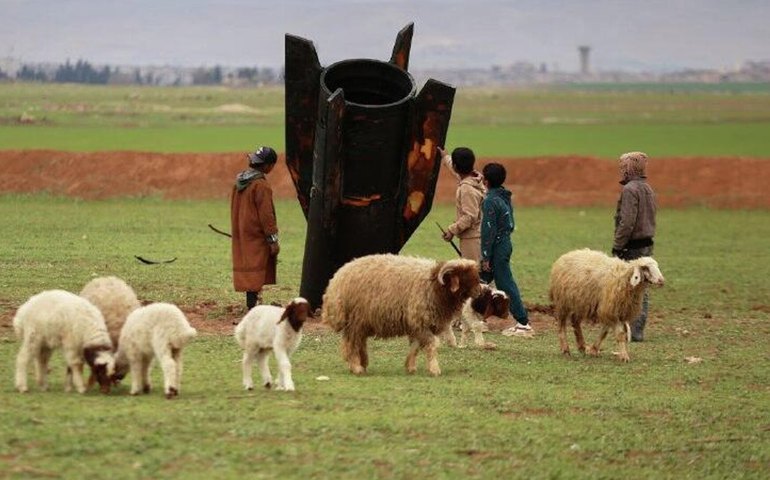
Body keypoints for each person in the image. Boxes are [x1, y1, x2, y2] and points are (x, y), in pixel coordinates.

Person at [479, 163, 532, 336]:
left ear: (485, 181)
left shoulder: (489, 201)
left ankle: (523, 323)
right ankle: (476, 318)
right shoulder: (503, 195)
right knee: (481, 281)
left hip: (497, 247)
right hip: (505, 243)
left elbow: (488, 231)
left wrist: (486, 256)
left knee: (505, 284)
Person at [612, 151, 657, 342]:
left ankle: (631, 329)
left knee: (629, 287)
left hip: (632, 245)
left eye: (623, 167)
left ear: (629, 169)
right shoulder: (647, 188)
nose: (621, 170)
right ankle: (638, 329)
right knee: (642, 288)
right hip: (647, 243)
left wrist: (618, 245)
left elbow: (627, 221)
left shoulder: (630, 190)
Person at [230, 146, 280, 311]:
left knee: (249, 266)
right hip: (257, 234)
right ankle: (253, 306)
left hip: (242, 231)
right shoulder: (261, 186)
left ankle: (252, 303)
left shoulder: (239, 183)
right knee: (257, 268)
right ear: (268, 166)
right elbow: (267, 216)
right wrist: (272, 239)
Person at [438, 146, 486, 262]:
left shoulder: (466, 189)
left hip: (472, 239)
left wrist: (451, 230)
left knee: (473, 275)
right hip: (480, 234)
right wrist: (445, 157)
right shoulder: (476, 178)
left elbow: (469, 217)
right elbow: (457, 172)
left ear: (455, 167)